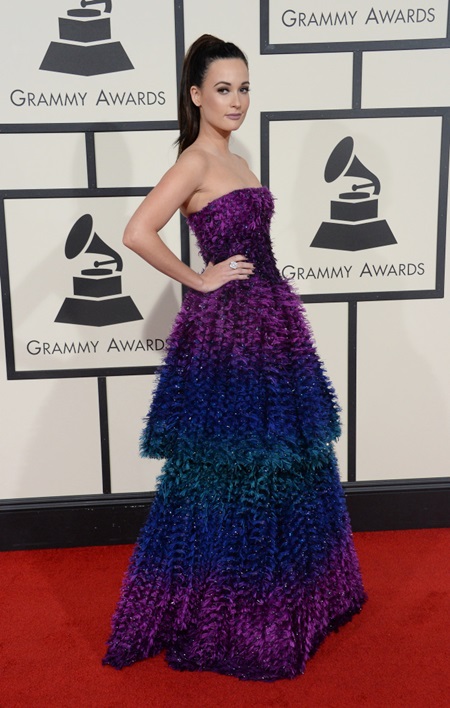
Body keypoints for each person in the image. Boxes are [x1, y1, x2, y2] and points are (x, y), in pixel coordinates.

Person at [103, 34, 366, 682]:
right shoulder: (195, 161)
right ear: (195, 95)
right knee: (232, 475)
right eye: (223, 88)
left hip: (273, 326)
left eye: (244, 87)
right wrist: (197, 280)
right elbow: (138, 230)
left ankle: (300, 600)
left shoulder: (240, 161)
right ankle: (236, 615)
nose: (237, 100)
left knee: (286, 467)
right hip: (230, 338)